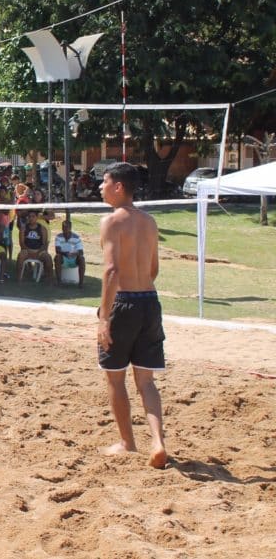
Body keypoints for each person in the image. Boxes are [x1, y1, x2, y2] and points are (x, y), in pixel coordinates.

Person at [97, 162, 167, 469]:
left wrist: (104, 317)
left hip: (124, 302)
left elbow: (112, 270)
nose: (100, 187)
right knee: (146, 381)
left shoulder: (112, 221)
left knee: (115, 378)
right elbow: (153, 269)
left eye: (104, 181)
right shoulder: (149, 221)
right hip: (149, 300)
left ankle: (127, 443)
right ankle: (158, 442)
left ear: (118, 186)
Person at [15, 210, 53, 282]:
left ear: (37, 217)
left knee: (48, 258)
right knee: (20, 256)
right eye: (29, 217)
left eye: (33, 216)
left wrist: (37, 252)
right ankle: (18, 280)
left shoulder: (42, 229)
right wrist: (29, 251)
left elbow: (44, 244)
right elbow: (22, 243)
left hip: (39, 251)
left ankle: (50, 281)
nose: (31, 218)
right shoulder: (23, 229)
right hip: (27, 250)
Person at [54, 220, 86, 287]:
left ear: (70, 228)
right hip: (64, 258)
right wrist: (65, 253)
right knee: (57, 257)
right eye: (63, 227)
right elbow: (57, 250)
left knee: (82, 258)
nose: (64, 229)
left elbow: (81, 251)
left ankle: (81, 283)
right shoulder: (58, 237)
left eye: (66, 227)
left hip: (74, 259)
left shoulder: (76, 237)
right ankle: (59, 282)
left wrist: (74, 254)